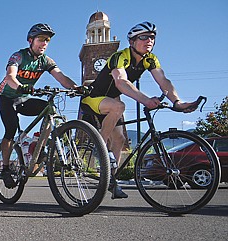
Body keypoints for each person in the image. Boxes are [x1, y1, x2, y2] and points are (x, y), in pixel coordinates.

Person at [81, 21, 198, 199]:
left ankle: (111, 181)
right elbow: (121, 81)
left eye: (152, 37)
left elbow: (163, 81)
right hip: (94, 98)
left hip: (112, 101)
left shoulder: (150, 59)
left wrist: (177, 102)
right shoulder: (119, 56)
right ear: (132, 42)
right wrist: (145, 100)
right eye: (143, 37)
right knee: (119, 106)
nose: (149, 40)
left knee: (120, 140)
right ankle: (101, 148)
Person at [0, 23, 83, 188]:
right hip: (8, 98)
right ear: (31, 40)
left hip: (24, 99)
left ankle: (39, 147)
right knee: (11, 129)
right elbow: (10, 76)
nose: (44, 43)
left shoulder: (46, 61)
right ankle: (6, 168)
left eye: (47, 40)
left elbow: (61, 77)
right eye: (41, 39)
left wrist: (77, 88)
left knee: (49, 111)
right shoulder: (18, 56)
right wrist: (21, 86)